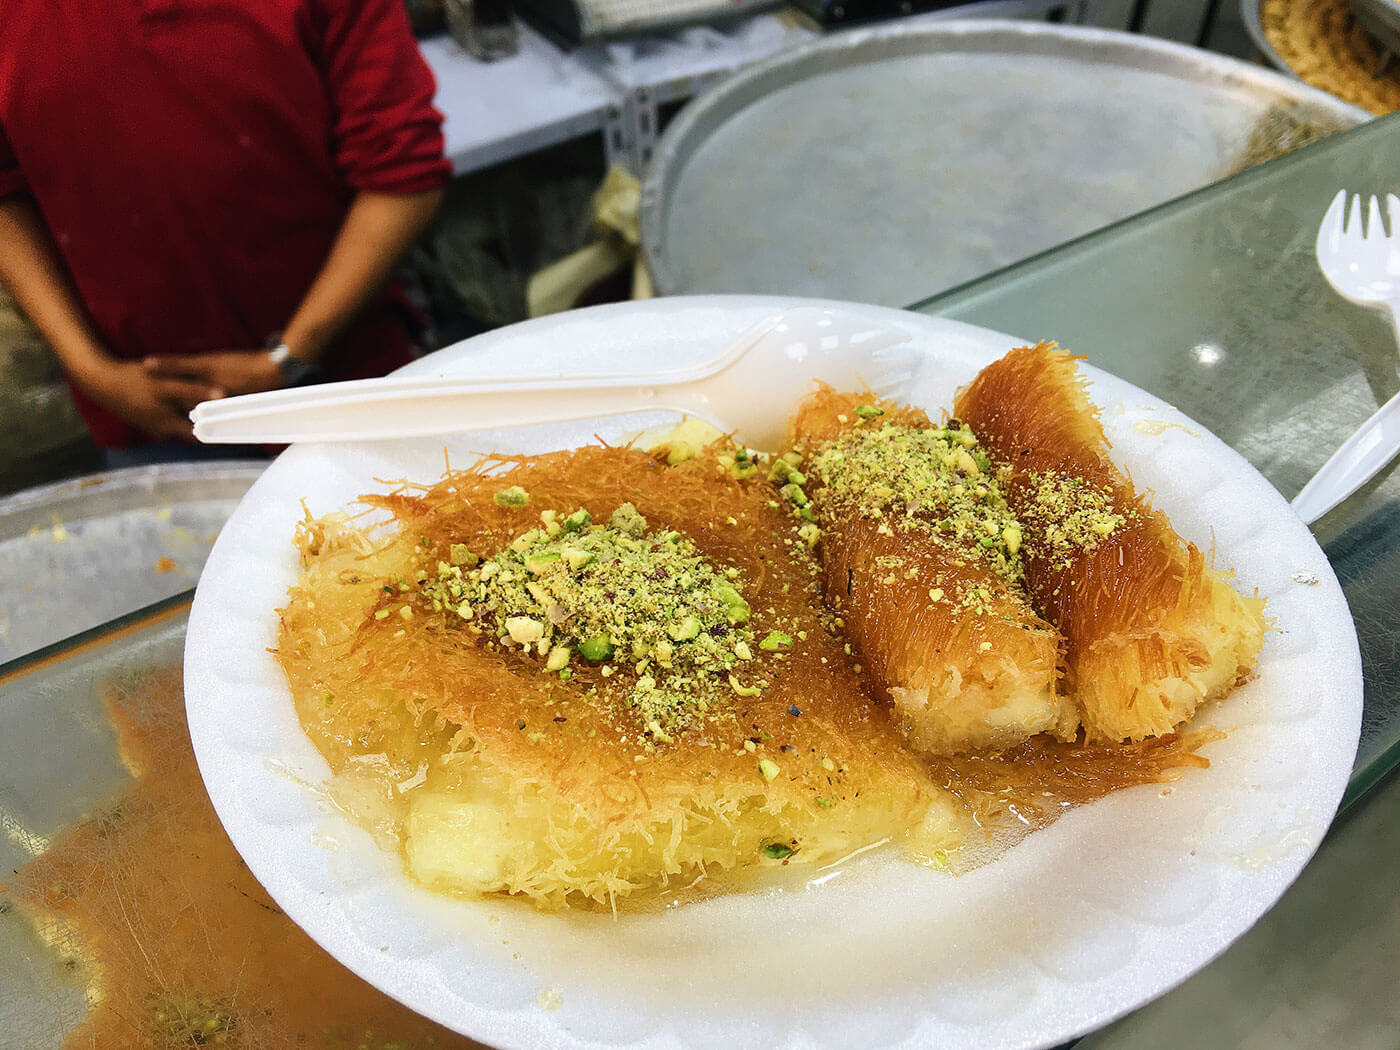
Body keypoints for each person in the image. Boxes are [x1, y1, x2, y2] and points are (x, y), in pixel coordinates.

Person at [0, 0, 451, 461]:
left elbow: (401, 172)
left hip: (346, 380)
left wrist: (288, 357)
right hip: (148, 406)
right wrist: (90, 368)